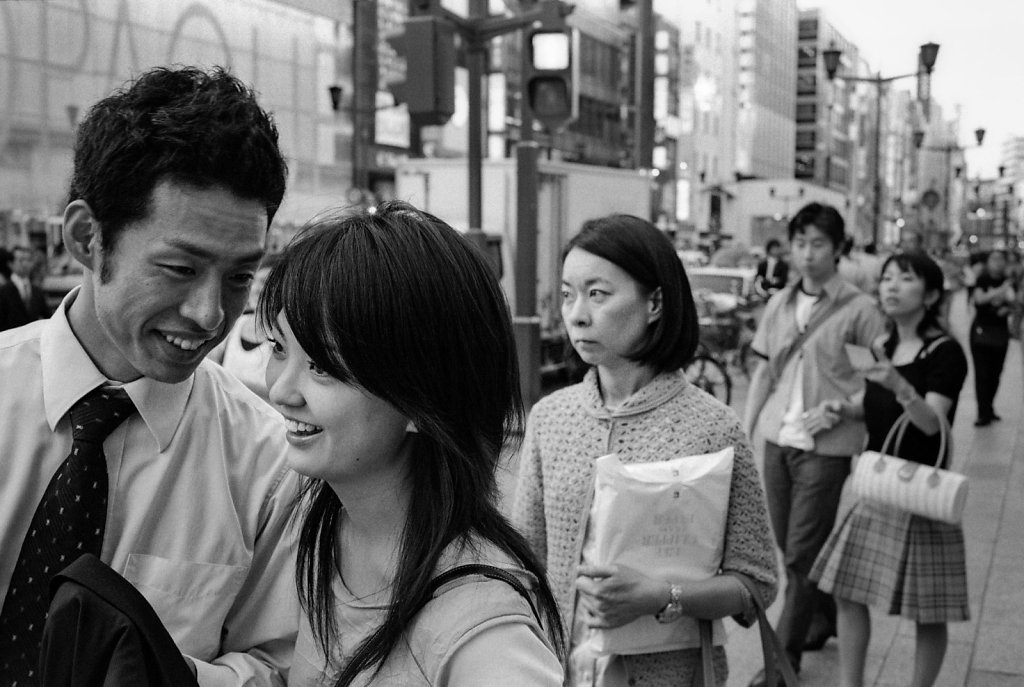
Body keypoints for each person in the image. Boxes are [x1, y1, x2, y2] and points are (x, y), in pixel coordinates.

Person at [0, 66, 299, 686]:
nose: (210, 314)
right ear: (87, 237)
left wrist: (166, 675)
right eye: (180, 269)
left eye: (240, 278)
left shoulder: (266, 465)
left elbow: (278, 665)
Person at [262, 202, 566, 686]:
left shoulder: (483, 633)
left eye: (321, 366)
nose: (280, 391)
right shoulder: (324, 529)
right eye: (279, 348)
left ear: (421, 399)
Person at [512, 214, 777, 687]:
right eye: (569, 294)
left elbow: (755, 583)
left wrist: (662, 596)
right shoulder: (551, 418)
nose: (577, 315)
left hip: (673, 675)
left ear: (654, 302)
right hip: (559, 670)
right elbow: (524, 564)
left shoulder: (713, 427)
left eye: (598, 294)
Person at [810, 251, 969, 687]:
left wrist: (900, 385)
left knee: (928, 611)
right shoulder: (883, 344)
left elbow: (932, 425)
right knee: (845, 591)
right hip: (878, 486)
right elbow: (874, 404)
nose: (892, 286)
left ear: (931, 295)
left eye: (906, 279)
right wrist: (843, 409)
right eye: (887, 278)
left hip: (921, 493)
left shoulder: (946, 352)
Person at [743, 202, 886, 686]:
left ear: (838, 248)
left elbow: (882, 383)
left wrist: (845, 408)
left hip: (827, 448)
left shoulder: (860, 310)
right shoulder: (780, 303)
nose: (807, 254)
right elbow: (764, 371)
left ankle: (782, 664)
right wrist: (746, 431)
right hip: (777, 440)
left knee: (800, 557)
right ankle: (822, 616)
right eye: (800, 243)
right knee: (790, 547)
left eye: (818, 244)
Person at [210, 260, 276, 400]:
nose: (257, 289)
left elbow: (280, 395)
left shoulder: (284, 338)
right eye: (253, 281)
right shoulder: (234, 323)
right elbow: (210, 369)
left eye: (265, 283)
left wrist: (228, 383)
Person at [969, 249, 1015, 426]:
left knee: (996, 373)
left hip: (1000, 332)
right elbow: (979, 300)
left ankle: (989, 407)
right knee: (982, 374)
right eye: (994, 259)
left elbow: (1016, 302)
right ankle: (983, 412)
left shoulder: (1010, 280)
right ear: (987, 262)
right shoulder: (982, 280)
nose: (998, 262)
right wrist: (1001, 290)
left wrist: (1008, 308)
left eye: (1001, 259)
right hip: (981, 332)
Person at [0, 245, 51, 330]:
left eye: (28, 260)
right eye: (21, 260)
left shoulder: (37, 291)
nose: (25, 264)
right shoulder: (3, 291)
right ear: (11, 264)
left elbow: (47, 317)